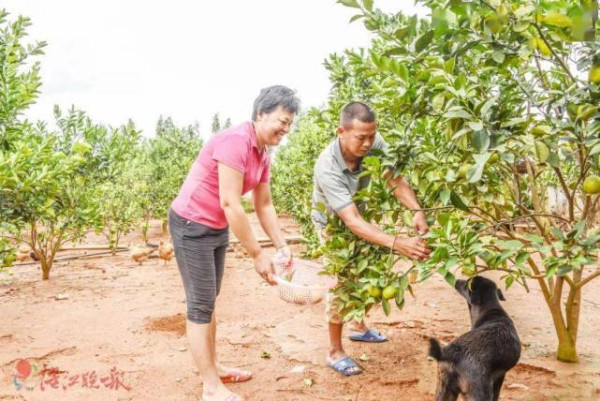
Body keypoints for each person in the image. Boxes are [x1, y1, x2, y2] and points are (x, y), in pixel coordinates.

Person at [169, 85, 300, 401]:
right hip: (191, 224)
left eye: (290, 124)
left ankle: (213, 367)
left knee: (209, 300)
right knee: (200, 305)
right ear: (260, 114)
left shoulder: (262, 153)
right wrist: (257, 254)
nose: (285, 129)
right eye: (281, 120)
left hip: (215, 227)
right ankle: (211, 387)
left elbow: (264, 204)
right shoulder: (235, 142)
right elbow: (230, 203)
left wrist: (281, 244)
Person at [311, 101, 431, 376]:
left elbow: (395, 180)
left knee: (370, 272)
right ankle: (334, 351)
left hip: (359, 217)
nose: (368, 143)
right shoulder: (327, 166)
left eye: (372, 136)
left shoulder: (374, 142)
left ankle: (357, 326)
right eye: (361, 138)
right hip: (333, 225)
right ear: (341, 131)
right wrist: (399, 243)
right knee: (343, 283)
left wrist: (417, 211)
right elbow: (350, 221)